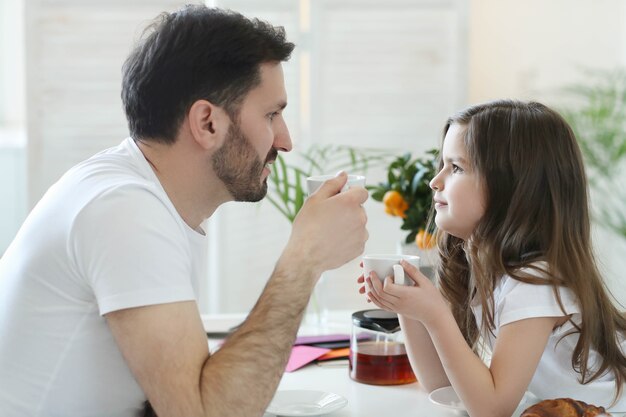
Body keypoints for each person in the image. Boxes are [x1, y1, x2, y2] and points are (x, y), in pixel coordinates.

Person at [0, 5, 369, 417]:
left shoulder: (138, 194)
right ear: (207, 123)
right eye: (271, 114)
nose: (285, 141)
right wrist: (305, 259)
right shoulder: (125, 211)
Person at [359, 100, 626, 416]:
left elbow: (493, 410)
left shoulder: (536, 282)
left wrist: (434, 314)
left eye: (456, 167)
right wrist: (407, 307)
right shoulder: (487, 267)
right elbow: (442, 386)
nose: (435, 181)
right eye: (442, 164)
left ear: (512, 188)